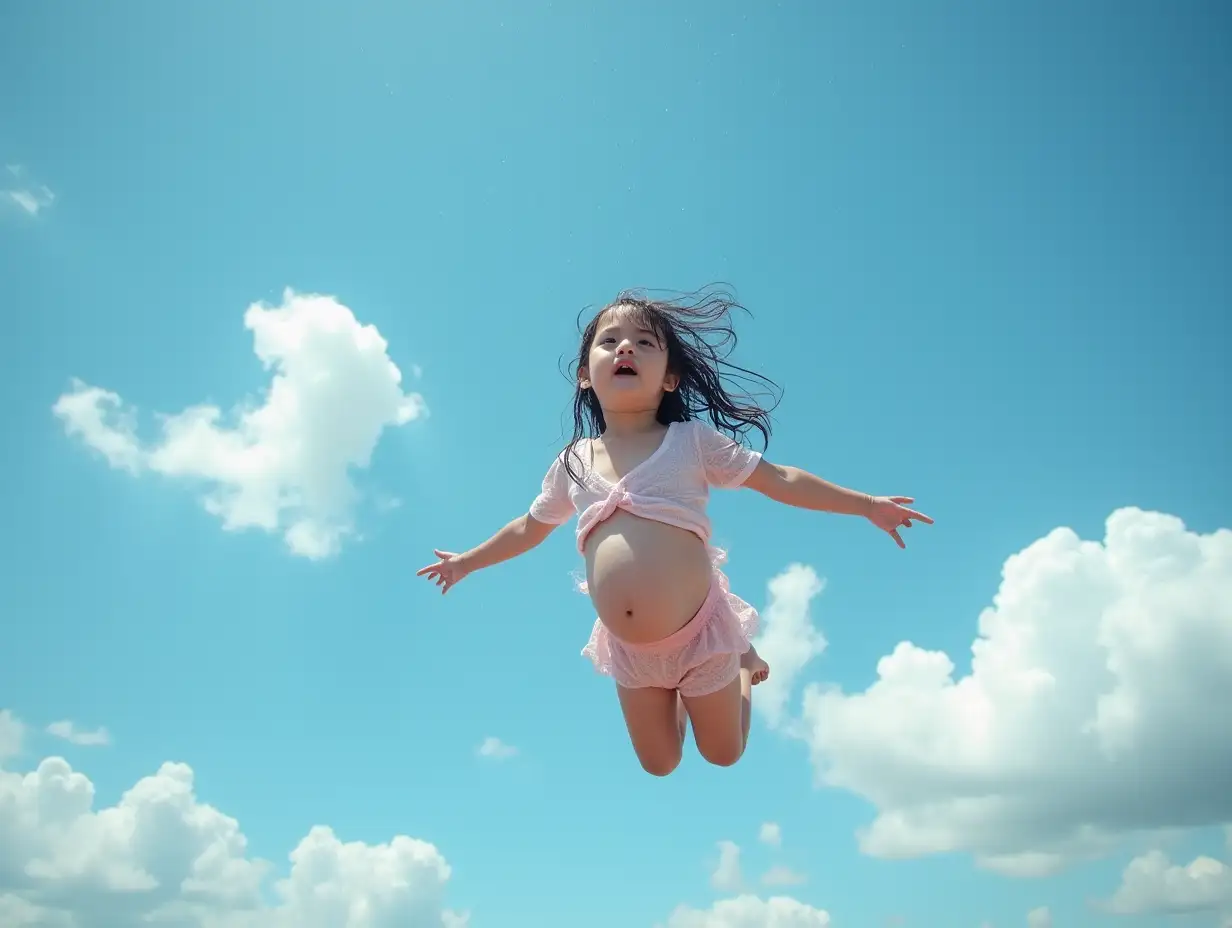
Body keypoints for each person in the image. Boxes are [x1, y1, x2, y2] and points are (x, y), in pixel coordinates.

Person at [417, 287, 932, 776]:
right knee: (660, 764)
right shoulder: (573, 463)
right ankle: (692, 691)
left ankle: (742, 668)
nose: (626, 347)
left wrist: (865, 505)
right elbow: (528, 528)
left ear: (669, 378)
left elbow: (779, 481)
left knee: (723, 754)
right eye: (610, 340)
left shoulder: (689, 442)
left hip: (701, 637)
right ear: (583, 375)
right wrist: (466, 562)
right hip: (631, 652)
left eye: (645, 343)